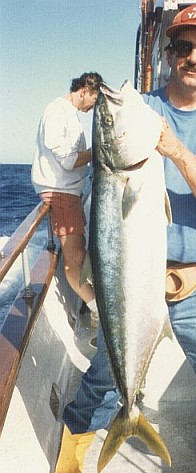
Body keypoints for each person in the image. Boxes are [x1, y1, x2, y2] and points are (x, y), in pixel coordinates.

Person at [51, 5, 196, 473]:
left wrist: (172, 147)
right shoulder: (140, 110)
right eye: (181, 47)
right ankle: (69, 467)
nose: (192, 57)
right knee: (103, 379)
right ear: (169, 54)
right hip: (132, 278)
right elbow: (103, 173)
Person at [31, 72, 103, 328]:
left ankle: (94, 304)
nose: (94, 106)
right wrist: (101, 151)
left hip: (70, 194)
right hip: (61, 194)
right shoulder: (58, 111)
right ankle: (98, 313)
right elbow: (68, 160)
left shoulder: (69, 113)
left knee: (80, 252)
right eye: (95, 99)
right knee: (74, 261)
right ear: (84, 90)